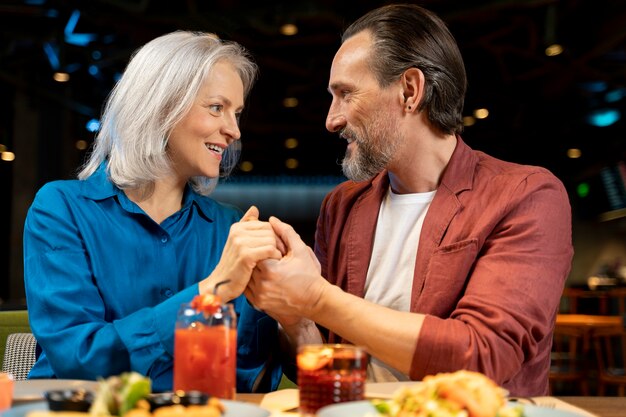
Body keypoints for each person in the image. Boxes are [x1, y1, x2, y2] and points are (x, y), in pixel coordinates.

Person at [246, 4, 573, 396]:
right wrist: (294, 316)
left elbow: (484, 357)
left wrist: (315, 297)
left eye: (346, 94)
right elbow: (328, 368)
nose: (331, 119)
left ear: (410, 91)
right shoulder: (343, 205)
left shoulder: (527, 194)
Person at [23, 31, 285, 392]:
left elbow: (249, 375)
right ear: (162, 105)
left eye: (236, 113)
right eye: (216, 107)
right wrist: (211, 290)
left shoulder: (230, 226)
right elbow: (79, 360)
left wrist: (287, 303)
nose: (233, 130)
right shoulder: (61, 209)